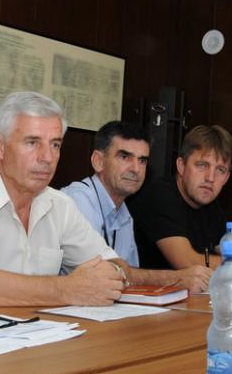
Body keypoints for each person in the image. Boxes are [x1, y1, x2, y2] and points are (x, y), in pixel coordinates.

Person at [0, 92, 196, 306]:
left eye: (55, 144)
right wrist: (68, 289)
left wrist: (111, 276)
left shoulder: (59, 204)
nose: (47, 157)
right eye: (32, 142)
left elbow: (114, 265)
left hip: (35, 339)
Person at [61, 121, 210, 291]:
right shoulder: (76, 201)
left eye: (142, 161)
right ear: (98, 161)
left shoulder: (124, 212)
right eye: (125, 157)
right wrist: (175, 278)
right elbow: (104, 274)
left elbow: (129, 280)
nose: (136, 169)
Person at [128, 124, 232, 271]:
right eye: (202, 165)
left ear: (226, 178)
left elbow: (228, 251)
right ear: (181, 166)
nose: (210, 178)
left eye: (220, 170)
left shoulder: (211, 205)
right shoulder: (159, 195)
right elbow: (186, 263)